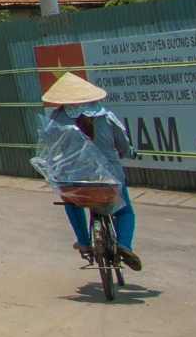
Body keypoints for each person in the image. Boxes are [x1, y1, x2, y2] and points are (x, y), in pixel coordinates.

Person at [37, 72, 141, 270]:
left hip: (74, 177)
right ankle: (123, 245)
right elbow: (123, 144)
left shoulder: (58, 116)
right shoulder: (105, 115)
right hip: (108, 178)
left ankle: (84, 242)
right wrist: (130, 153)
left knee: (72, 203)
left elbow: (49, 145)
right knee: (124, 211)